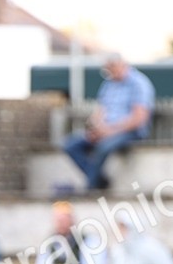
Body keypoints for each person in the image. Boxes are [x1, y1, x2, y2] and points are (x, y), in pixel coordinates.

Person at [63, 54, 155, 192]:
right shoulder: (109, 84)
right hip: (105, 130)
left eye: (111, 69)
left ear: (120, 65)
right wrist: (97, 128)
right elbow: (100, 111)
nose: (109, 73)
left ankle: (91, 188)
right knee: (71, 145)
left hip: (128, 131)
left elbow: (139, 118)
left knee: (103, 147)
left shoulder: (139, 83)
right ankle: (99, 180)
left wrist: (110, 131)